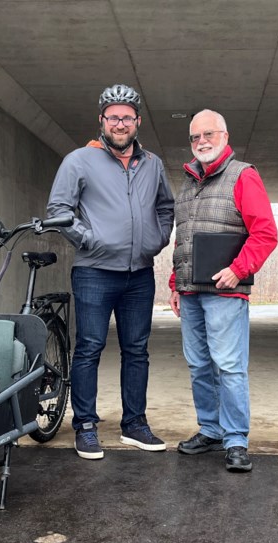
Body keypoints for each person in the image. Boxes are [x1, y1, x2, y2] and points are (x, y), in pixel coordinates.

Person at [46, 84, 175, 460]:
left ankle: (135, 424)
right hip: (95, 272)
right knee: (89, 348)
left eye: (127, 118)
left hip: (140, 274)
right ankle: (85, 426)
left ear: (137, 122)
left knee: (137, 350)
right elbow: (59, 210)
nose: (120, 124)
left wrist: (157, 239)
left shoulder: (151, 164)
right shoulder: (79, 161)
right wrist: (89, 240)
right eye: (113, 117)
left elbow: (166, 207)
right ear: (102, 121)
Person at [168, 109, 278, 472]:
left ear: (225, 137)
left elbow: (265, 234)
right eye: (195, 137)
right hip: (190, 291)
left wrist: (238, 269)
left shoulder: (243, 176)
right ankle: (210, 430)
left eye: (209, 134)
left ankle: (235, 440)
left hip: (225, 292)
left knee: (229, 366)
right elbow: (182, 238)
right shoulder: (187, 183)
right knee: (199, 365)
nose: (202, 141)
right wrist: (174, 283)